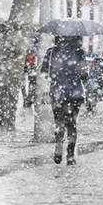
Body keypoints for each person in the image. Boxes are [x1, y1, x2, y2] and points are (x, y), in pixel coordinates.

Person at [40, 36, 88, 166]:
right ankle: (71, 154)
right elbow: (84, 75)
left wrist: (55, 74)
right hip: (75, 93)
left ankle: (58, 146)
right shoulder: (79, 53)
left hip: (57, 93)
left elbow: (44, 72)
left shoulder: (51, 52)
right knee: (71, 123)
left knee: (59, 121)